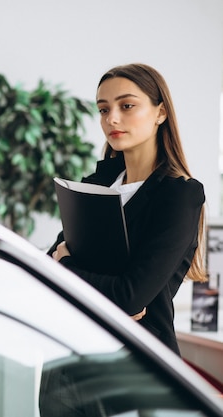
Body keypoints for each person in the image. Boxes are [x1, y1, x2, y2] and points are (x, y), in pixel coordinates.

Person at [49, 63, 208, 355]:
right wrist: (108, 291)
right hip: (71, 359)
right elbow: (48, 264)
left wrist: (70, 266)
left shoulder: (179, 195)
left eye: (127, 106)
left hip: (136, 366)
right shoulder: (95, 184)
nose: (113, 118)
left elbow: (129, 297)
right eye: (104, 109)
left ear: (161, 112)